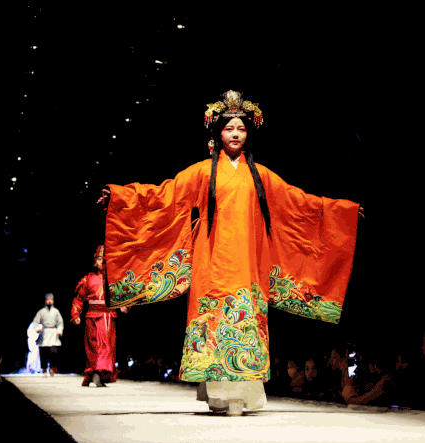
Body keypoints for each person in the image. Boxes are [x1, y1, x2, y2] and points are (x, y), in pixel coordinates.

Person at [98, 90, 364, 416]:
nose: (236, 134)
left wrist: (340, 213)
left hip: (248, 263)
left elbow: (298, 203)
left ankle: (238, 397)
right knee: (215, 322)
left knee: (244, 322)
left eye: (241, 129)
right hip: (211, 261)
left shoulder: (260, 175)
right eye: (229, 129)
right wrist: (121, 198)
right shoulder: (202, 172)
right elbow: (164, 196)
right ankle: (219, 395)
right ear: (218, 134)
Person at [71, 245, 130, 387]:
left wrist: (124, 305)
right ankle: (93, 373)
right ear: (94, 261)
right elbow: (79, 298)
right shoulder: (88, 279)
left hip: (108, 317)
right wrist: (75, 313)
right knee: (92, 347)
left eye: (105, 259)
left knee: (106, 347)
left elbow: (123, 296)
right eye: (99, 259)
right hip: (91, 317)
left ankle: (99, 374)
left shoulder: (114, 280)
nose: (102, 262)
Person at [33, 293, 64, 376]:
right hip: (44, 333)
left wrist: (59, 331)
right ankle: (44, 369)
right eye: (48, 300)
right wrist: (37, 329)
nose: (49, 301)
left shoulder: (56, 311)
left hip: (53, 333)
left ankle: (51, 367)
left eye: (51, 300)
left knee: (53, 351)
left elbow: (60, 323)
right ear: (45, 301)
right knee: (43, 352)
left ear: (53, 301)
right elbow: (35, 322)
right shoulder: (41, 312)